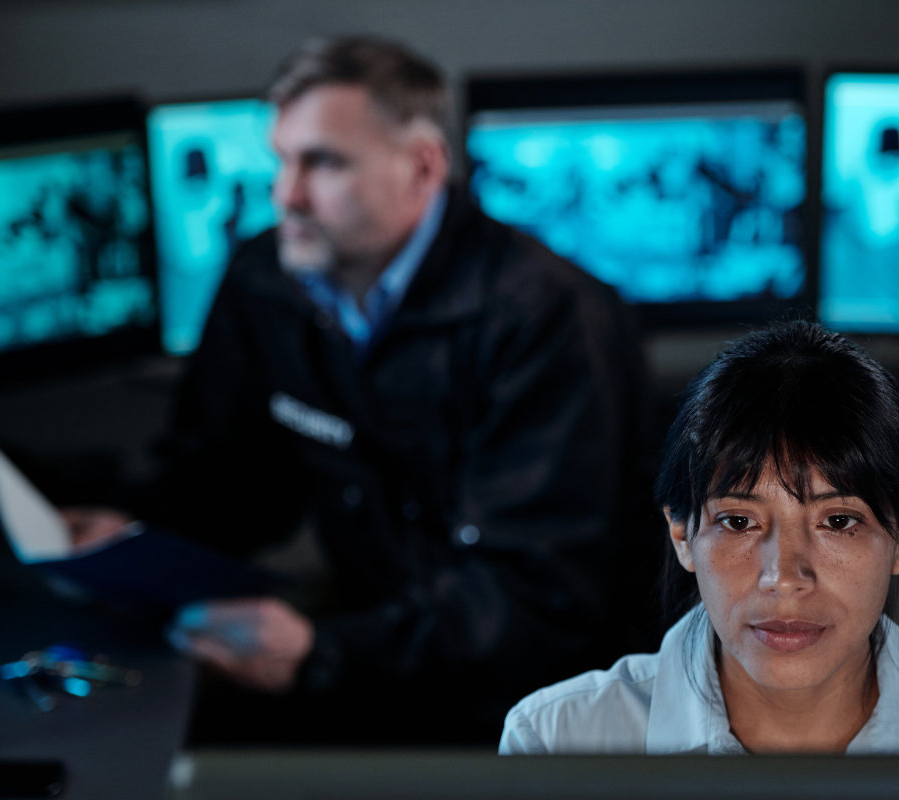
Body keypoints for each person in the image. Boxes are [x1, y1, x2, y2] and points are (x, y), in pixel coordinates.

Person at [67, 35, 655, 745]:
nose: (286, 194)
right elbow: (229, 479)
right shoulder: (266, 279)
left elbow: (536, 602)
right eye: (281, 159)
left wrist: (325, 651)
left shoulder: (545, 317)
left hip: (523, 703)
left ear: (422, 167)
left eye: (323, 162)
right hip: (380, 655)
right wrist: (128, 537)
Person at [499, 321, 899, 755]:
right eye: (739, 522)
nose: (784, 577)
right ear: (681, 533)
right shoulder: (558, 741)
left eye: (838, 521)